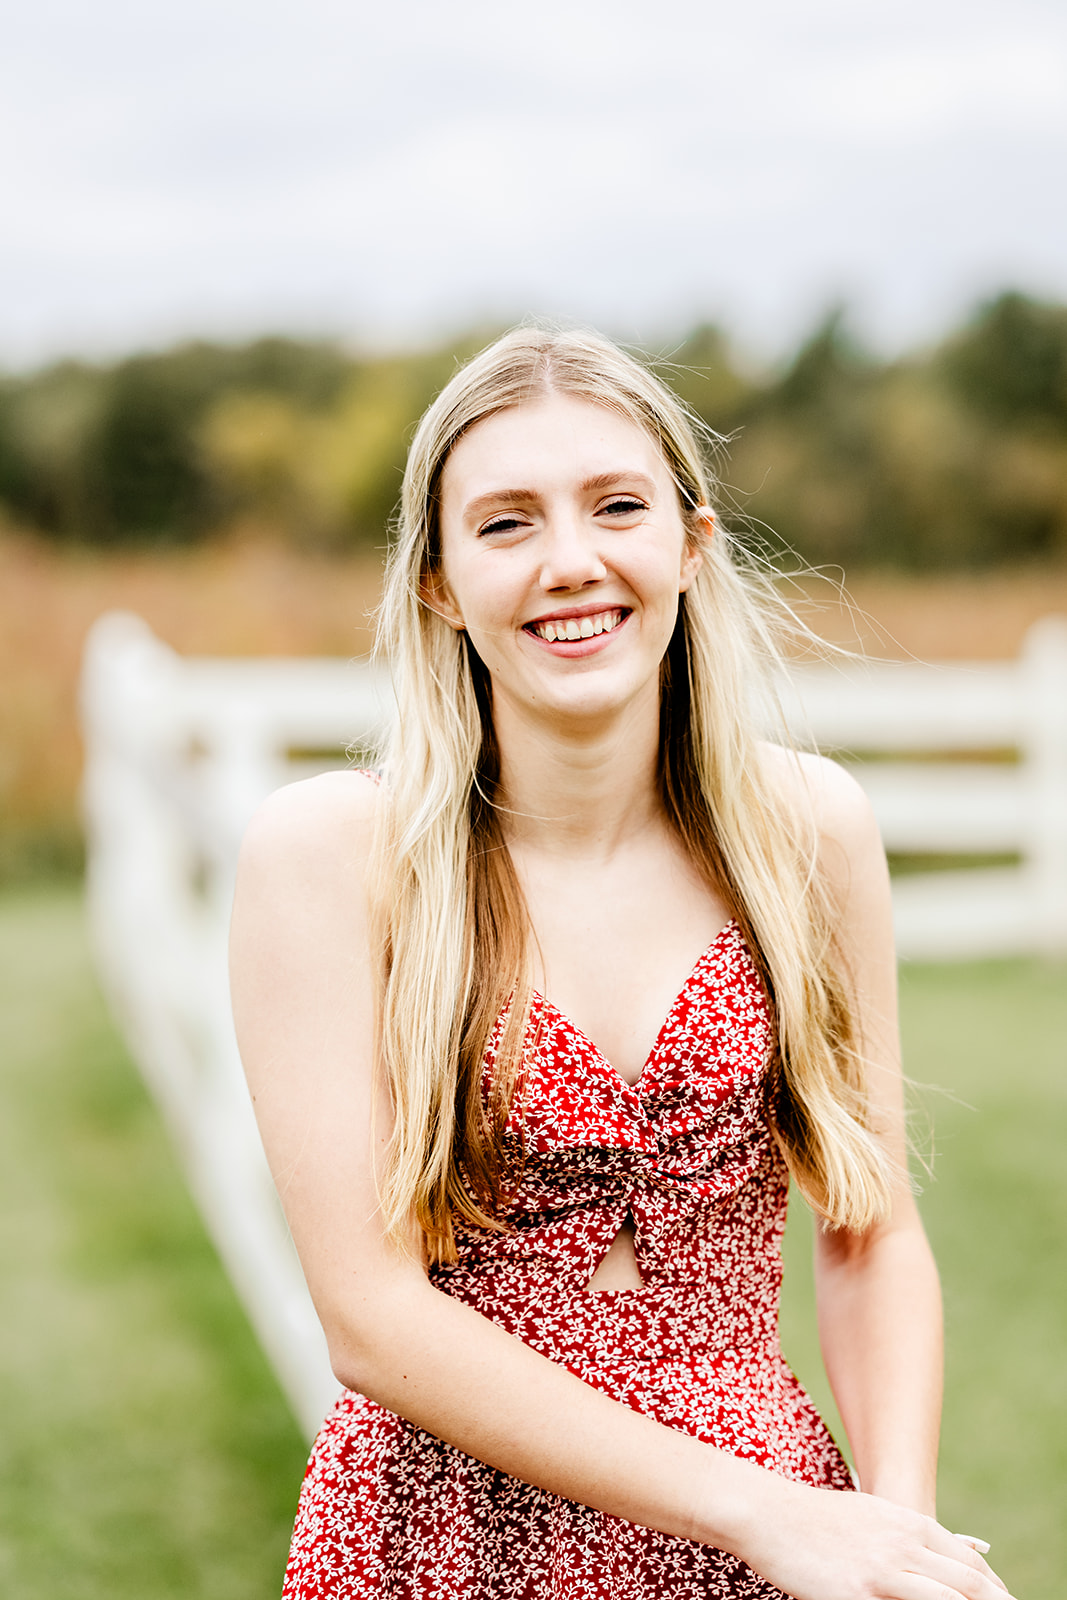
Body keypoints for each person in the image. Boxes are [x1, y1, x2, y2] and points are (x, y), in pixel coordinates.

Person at [229, 326, 1010, 1599]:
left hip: (763, 1540)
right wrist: (758, 1510)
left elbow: (870, 1233)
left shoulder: (806, 835)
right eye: (505, 523)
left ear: (689, 544)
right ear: (436, 582)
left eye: (615, 506)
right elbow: (367, 1317)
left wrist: (886, 1535)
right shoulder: (331, 858)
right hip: (444, 1535)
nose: (571, 562)